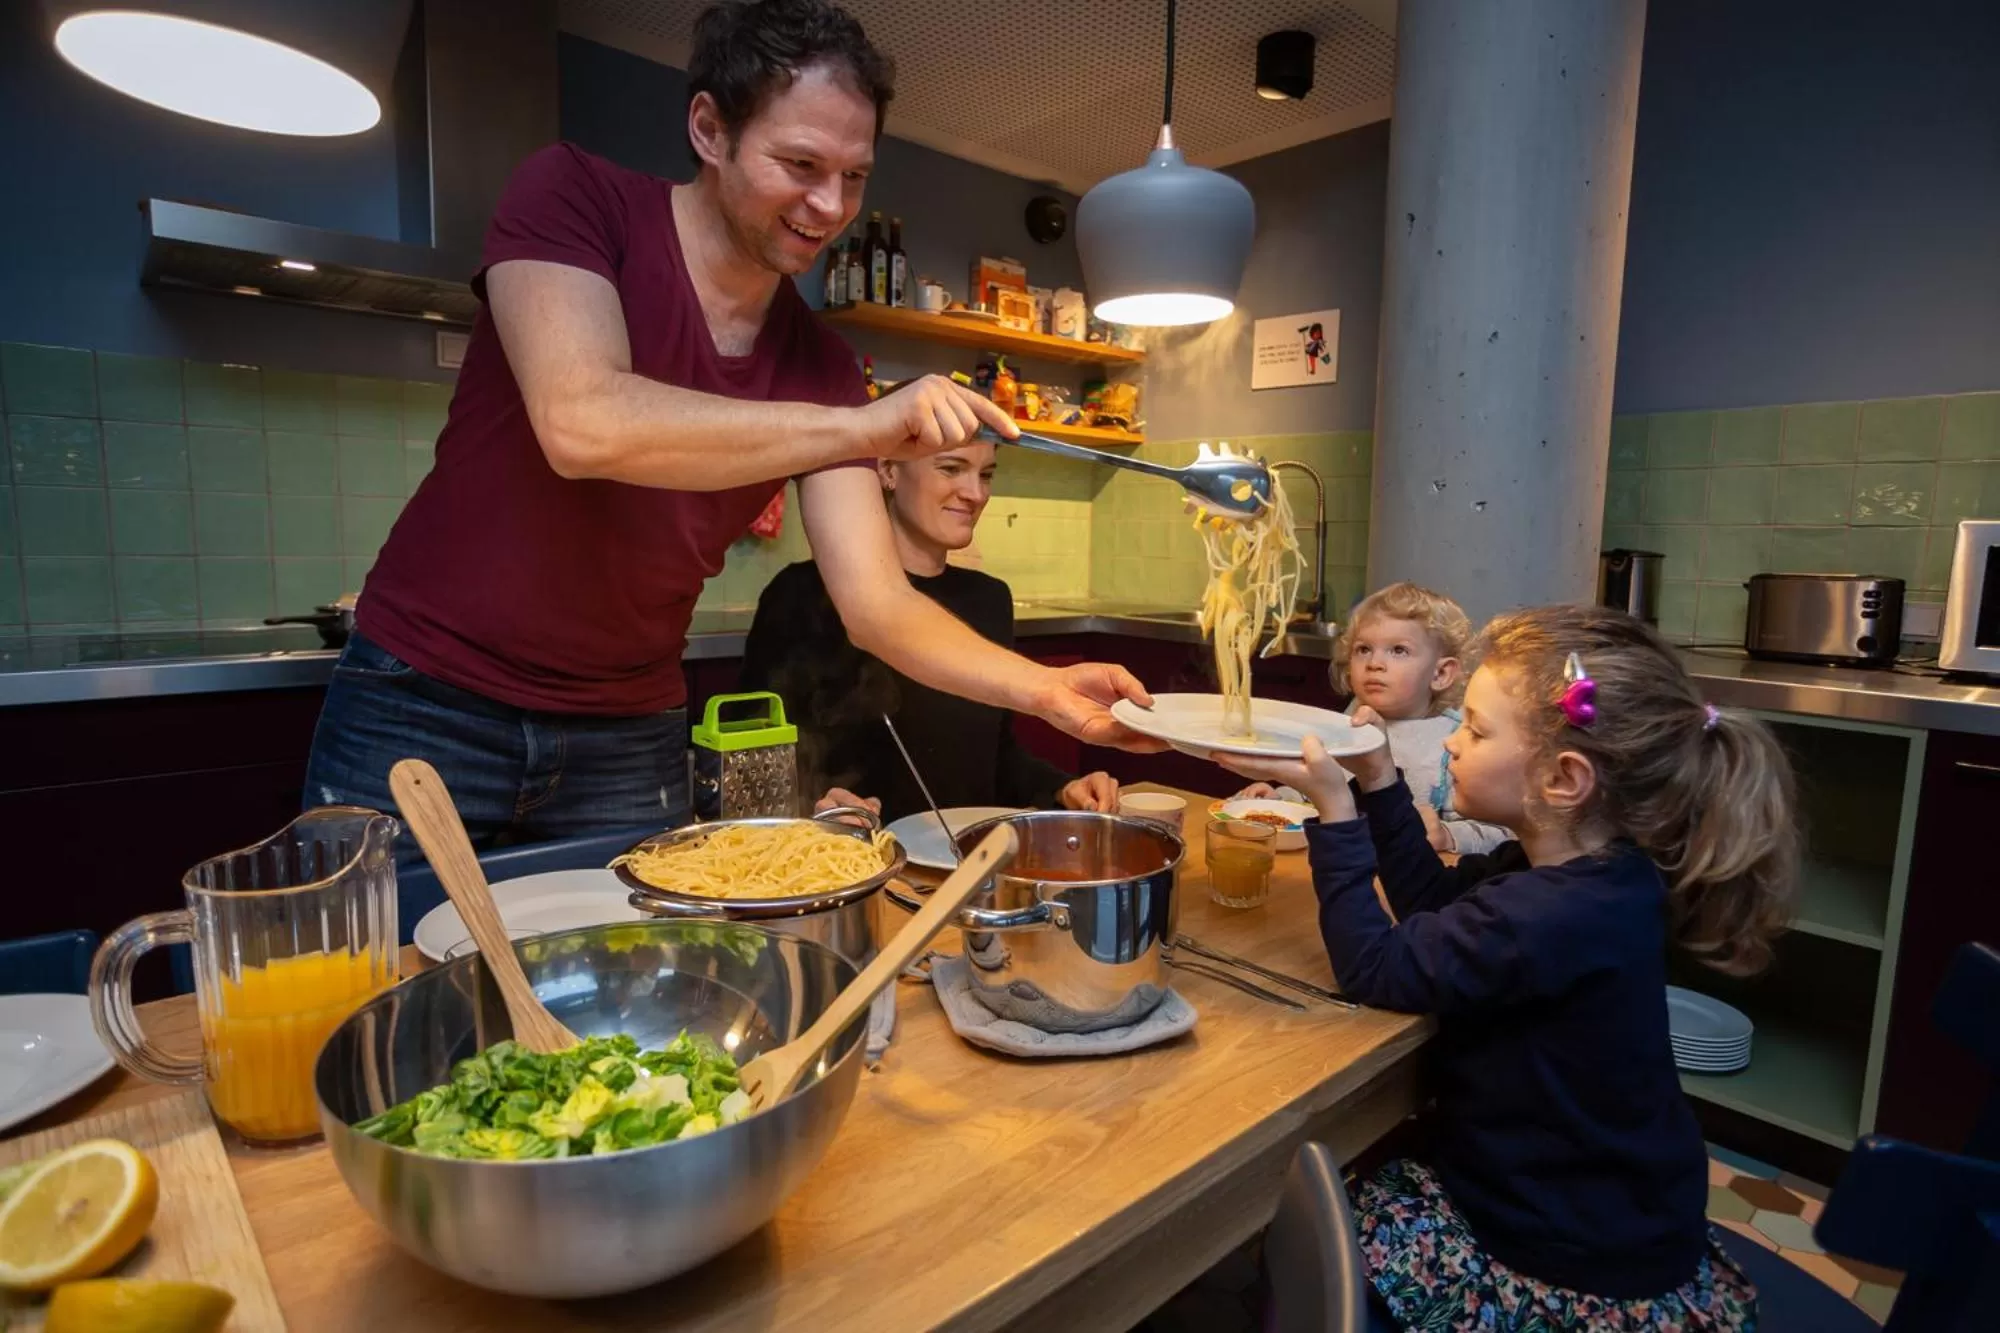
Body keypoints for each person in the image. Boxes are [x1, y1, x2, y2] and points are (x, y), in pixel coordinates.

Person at [302, 0, 1151, 854]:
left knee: (629, 947)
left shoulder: (820, 364)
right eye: (800, 163)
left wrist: (1044, 691)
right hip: (426, 693)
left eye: (854, 175)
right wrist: (861, 427)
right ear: (710, 130)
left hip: (626, 725)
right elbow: (583, 422)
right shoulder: (574, 197)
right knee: (386, 942)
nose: (829, 205)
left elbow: (879, 605)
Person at [1222, 604, 1797, 1331]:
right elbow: (1430, 899)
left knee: (1310, 1236)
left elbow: (1374, 967)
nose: (1453, 742)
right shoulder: (1579, 871)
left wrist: (1334, 810)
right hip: (1589, 1198)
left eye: (1475, 729)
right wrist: (1378, 777)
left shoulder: (1554, 913)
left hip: (1566, 1245)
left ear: (1563, 778)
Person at [739, 440, 1118, 821]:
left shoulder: (989, 599)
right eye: (951, 468)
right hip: (853, 851)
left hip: (967, 852)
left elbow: (994, 756)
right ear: (888, 470)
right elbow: (751, 761)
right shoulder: (800, 594)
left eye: (986, 474)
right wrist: (818, 807)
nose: (976, 493)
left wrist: (1062, 788)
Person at [1235, 581, 1512, 854]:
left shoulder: (1458, 742)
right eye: (1364, 649)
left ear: (1440, 673)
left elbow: (1503, 835)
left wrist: (1448, 835)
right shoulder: (1347, 722)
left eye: (1399, 650)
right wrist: (1281, 798)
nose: (1374, 663)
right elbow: (1320, 790)